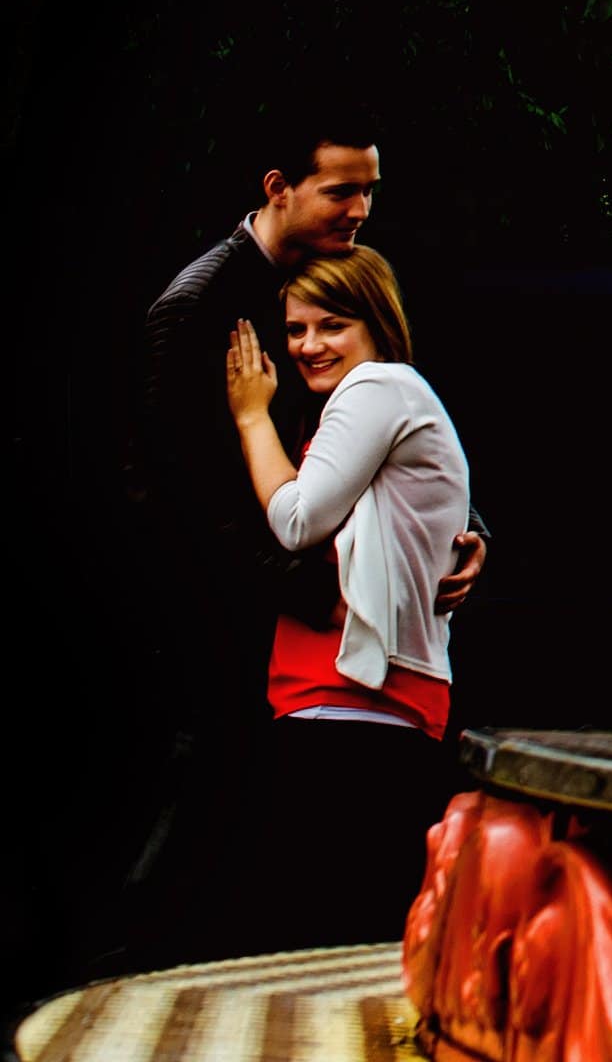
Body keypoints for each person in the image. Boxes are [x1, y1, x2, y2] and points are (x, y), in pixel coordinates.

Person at [221, 245, 476, 944]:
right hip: (346, 704)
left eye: (331, 325)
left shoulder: (377, 389)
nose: (308, 345)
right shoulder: (377, 402)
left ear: (376, 322)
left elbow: (298, 520)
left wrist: (250, 416)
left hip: (355, 707)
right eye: (296, 329)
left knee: (321, 941)